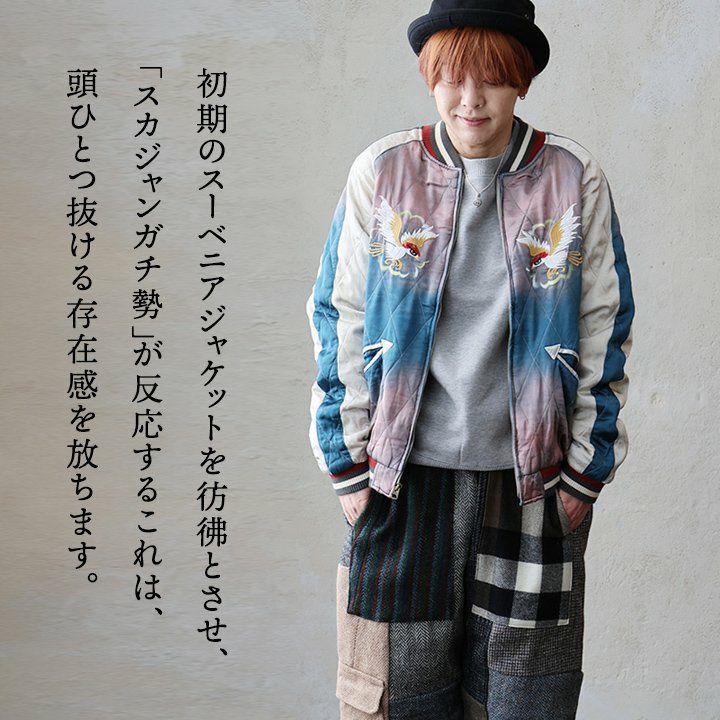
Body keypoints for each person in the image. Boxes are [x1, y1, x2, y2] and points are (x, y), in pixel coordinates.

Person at [305, 1, 636, 718]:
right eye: (452, 77)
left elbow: (605, 325)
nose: (470, 98)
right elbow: (337, 314)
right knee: (394, 701)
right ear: (430, 77)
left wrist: (584, 476)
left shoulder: (571, 176)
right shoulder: (384, 172)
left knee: (524, 703)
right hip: (400, 484)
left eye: (492, 77)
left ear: (522, 79)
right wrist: (348, 468)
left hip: (531, 488)